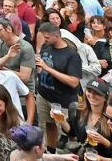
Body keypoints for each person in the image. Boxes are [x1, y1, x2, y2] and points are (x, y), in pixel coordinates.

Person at [35, 21, 82, 151]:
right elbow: (41, 68)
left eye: (47, 38)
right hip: (44, 94)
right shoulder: (46, 47)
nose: (44, 40)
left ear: (57, 36)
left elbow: (74, 82)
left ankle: (74, 157)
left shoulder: (71, 55)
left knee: (70, 132)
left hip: (63, 100)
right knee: (49, 124)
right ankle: (51, 151)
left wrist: (47, 68)